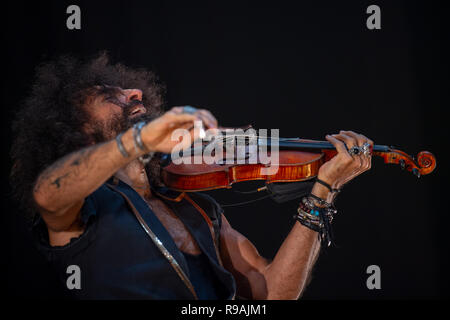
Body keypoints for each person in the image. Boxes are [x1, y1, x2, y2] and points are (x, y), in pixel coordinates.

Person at [10, 53, 373, 300]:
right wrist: (139, 140)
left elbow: (273, 293)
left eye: (128, 90)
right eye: (110, 96)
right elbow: (46, 193)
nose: (135, 92)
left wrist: (323, 189)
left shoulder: (195, 205)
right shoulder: (80, 209)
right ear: (82, 134)